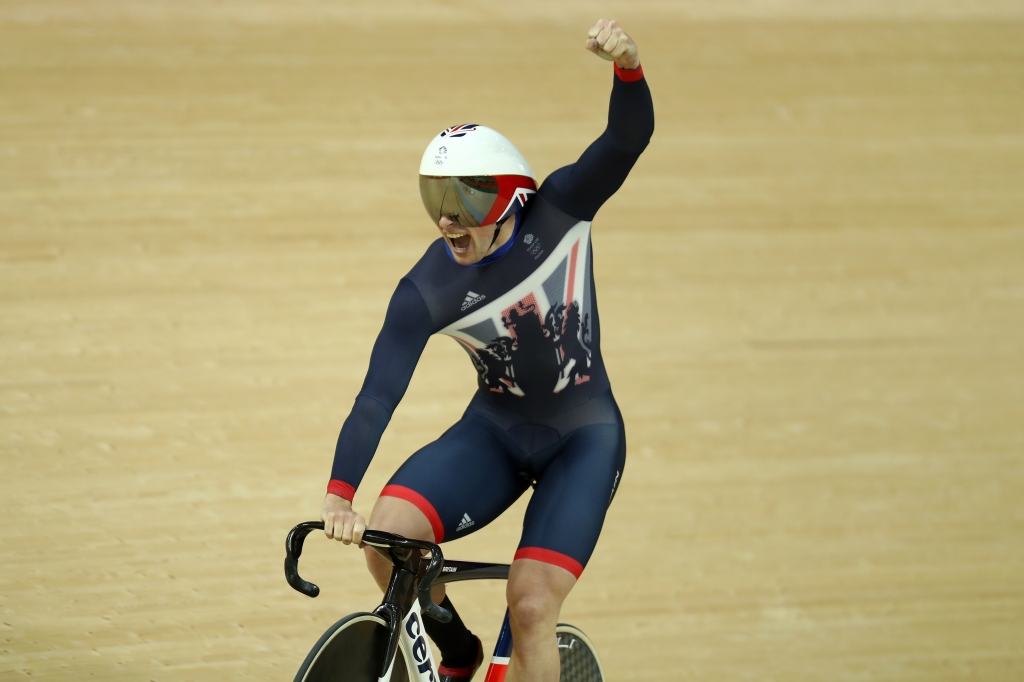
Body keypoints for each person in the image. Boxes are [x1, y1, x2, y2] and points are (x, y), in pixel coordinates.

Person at [321, 18, 653, 682]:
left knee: (531, 608)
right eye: (434, 197)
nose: (446, 217)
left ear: (510, 198)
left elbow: (626, 139)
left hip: (582, 438)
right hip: (496, 432)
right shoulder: (428, 288)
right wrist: (339, 492)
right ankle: (459, 649)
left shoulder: (560, 211)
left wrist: (628, 67)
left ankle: (513, 652)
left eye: (464, 197)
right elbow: (378, 393)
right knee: (390, 540)